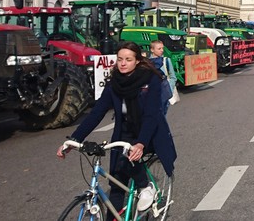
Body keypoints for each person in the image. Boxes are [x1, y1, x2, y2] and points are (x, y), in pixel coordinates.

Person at [57, 42, 177, 219]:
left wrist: (141, 144)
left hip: (148, 132)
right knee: (117, 182)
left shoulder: (150, 79)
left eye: (128, 59)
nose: (123, 63)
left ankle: (146, 186)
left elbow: (151, 115)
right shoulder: (115, 83)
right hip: (125, 133)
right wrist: (74, 139)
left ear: (137, 61)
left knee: (131, 157)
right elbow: (96, 113)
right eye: (120, 59)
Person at [149, 40, 177, 115]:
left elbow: (173, 77)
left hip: (164, 94)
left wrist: (169, 88)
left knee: (162, 117)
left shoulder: (166, 60)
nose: (162, 50)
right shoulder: (147, 62)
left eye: (162, 48)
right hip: (152, 95)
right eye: (159, 49)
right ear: (152, 50)